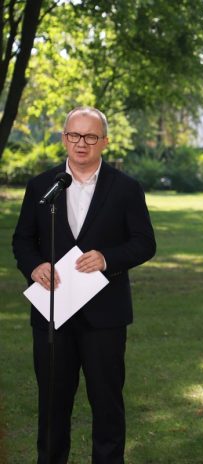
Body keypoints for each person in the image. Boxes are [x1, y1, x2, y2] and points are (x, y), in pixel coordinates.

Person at [12, 107, 156, 464]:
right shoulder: (40, 187)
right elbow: (22, 241)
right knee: (51, 407)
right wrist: (34, 267)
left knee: (107, 406)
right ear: (63, 138)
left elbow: (144, 243)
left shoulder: (126, 188)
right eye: (74, 135)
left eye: (91, 136)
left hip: (105, 318)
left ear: (104, 142)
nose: (81, 143)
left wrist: (107, 259)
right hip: (52, 316)